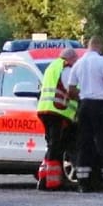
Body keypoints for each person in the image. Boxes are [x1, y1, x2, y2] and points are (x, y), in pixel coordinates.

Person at [66, 36, 103, 192]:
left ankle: (83, 182)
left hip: (84, 106)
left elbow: (70, 89)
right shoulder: (102, 61)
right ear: (99, 46)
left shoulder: (78, 64)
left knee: (84, 143)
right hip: (100, 105)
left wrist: (82, 98)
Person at [34, 47, 81, 191]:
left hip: (45, 110)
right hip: (58, 111)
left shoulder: (51, 67)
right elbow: (70, 89)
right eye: (75, 60)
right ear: (70, 58)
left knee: (52, 145)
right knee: (55, 145)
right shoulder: (66, 67)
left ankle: (44, 179)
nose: (76, 63)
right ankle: (52, 182)